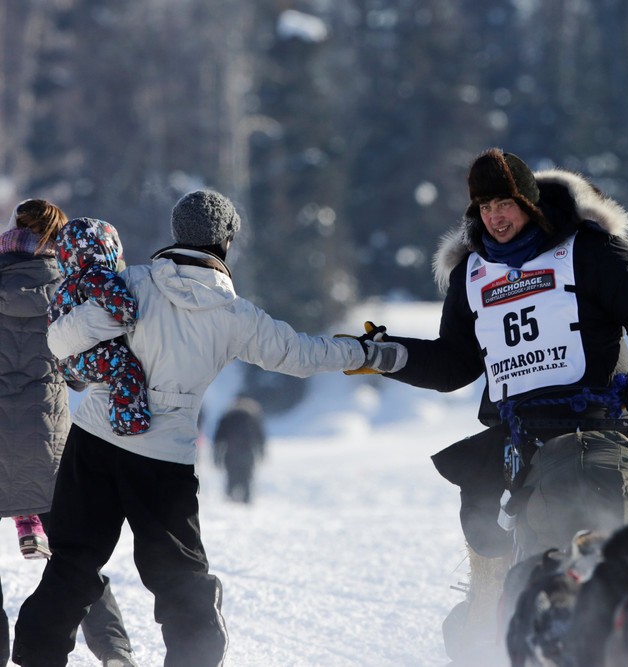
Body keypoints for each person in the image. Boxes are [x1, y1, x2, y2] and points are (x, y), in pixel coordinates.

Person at [11, 190, 406, 667]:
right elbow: (304, 355)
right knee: (177, 574)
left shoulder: (129, 282)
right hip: (162, 460)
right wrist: (367, 353)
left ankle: (36, 658)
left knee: (72, 562)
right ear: (227, 242)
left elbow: (60, 340)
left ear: (176, 233)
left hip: (93, 441)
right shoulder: (235, 316)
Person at [368, 148, 628, 658]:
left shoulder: (588, 249)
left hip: (601, 421)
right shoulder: (471, 274)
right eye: (484, 206)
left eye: (505, 203)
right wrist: (387, 355)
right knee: (483, 523)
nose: (494, 216)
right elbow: (455, 363)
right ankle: (491, 636)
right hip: (519, 433)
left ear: (530, 203)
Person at [1, 199, 137, 667]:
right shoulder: (65, 292)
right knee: (74, 556)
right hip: (47, 440)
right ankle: (115, 651)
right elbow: (79, 375)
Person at [48, 217, 150, 436]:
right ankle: (129, 421)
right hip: (91, 355)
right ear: (108, 247)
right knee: (125, 367)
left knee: (116, 369)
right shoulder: (95, 274)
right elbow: (112, 296)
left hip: (70, 363)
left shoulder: (64, 287)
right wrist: (128, 312)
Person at [212, 396, 267, 503]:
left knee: (231, 478)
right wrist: (261, 452)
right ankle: (246, 502)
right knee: (246, 478)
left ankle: (229, 502)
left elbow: (218, 438)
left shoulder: (228, 416)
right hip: (247, 454)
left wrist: (216, 456)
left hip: (231, 454)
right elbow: (260, 437)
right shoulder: (252, 416)